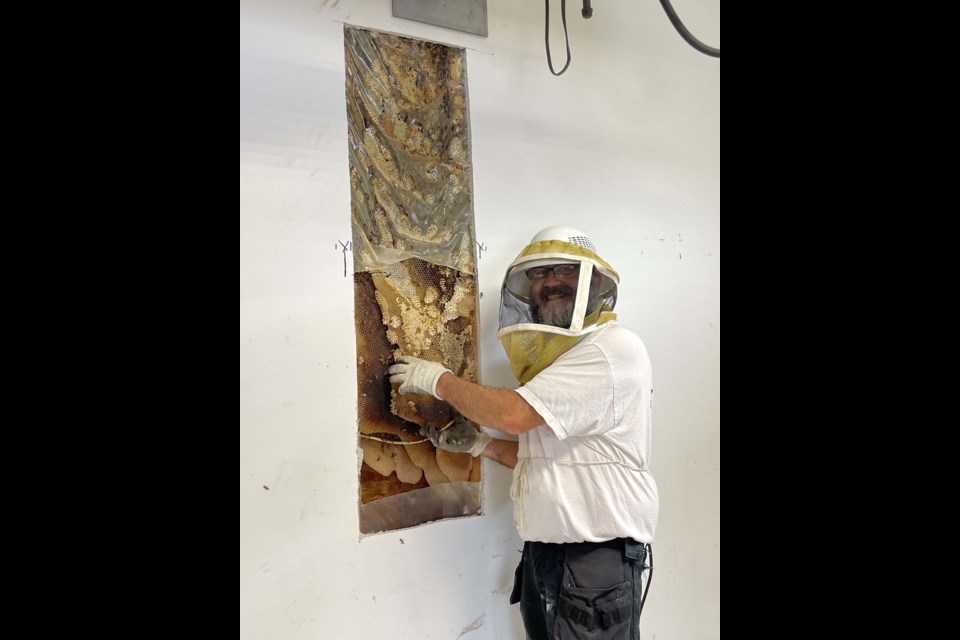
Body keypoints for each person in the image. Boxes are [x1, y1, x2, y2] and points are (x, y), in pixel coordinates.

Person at [388, 226, 658, 640]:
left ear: (594, 283)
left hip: (595, 562)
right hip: (548, 557)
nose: (550, 282)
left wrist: (438, 380)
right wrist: (481, 446)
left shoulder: (609, 350)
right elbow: (550, 459)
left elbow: (514, 415)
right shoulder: (561, 366)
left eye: (563, 270)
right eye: (539, 274)